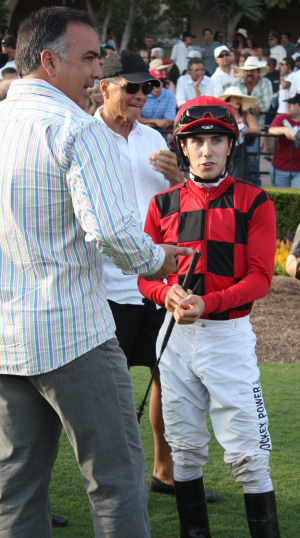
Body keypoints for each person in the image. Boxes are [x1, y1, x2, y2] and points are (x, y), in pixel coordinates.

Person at [0, 7, 193, 538]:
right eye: (88, 59)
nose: (96, 73)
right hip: (74, 334)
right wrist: (161, 258)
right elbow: (111, 232)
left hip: (7, 339)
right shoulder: (74, 129)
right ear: (48, 60)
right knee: (116, 481)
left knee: (14, 488)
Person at [138, 95, 279, 538]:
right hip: (175, 338)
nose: (206, 150)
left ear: (230, 145)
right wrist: (166, 294)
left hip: (229, 336)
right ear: (182, 147)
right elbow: (144, 278)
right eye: (196, 141)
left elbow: (260, 279)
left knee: (250, 454)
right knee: (184, 448)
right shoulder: (162, 204)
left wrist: (207, 304)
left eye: (216, 139)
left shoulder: (255, 201)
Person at [95, 50, 216, 503]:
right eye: (131, 87)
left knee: (169, 379)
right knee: (104, 392)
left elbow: (176, 211)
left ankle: (165, 473)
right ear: (104, 86)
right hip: (101, 287)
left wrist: (175, 178)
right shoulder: (81, 136)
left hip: (156, 284)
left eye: (149, 88)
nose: (142, 95)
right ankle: (98, 487)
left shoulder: (154, 140)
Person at [232, 56, 272, 185]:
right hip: (237, 125)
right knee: (234, 160)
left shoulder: (266, 82)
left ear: (258, 72)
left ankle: (255, 188)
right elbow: (230, 102)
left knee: (252, 160)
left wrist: (246, 107)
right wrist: (251, 106)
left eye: (252, 70)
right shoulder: (237, 83)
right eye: (247, 71)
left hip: (254, 129)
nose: (249, 73)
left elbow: (265, 106)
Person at [219, 86, 261, 181]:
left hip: (239, 152)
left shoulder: (246, 115)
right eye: (236, 97)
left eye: (240, 98)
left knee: (238, 179)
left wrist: (243, 129)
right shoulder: (222, 114)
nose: (239, 100)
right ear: (229, 99)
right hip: (223, 150)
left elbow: (257, 129)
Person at [269, 93, 300, 188]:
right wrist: (285, 130)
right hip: (280, 168)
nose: (288, 106)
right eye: (287, 103)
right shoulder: (282, 118)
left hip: (298, 170)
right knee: (280, 199)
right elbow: (271, 130)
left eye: (291, 104)